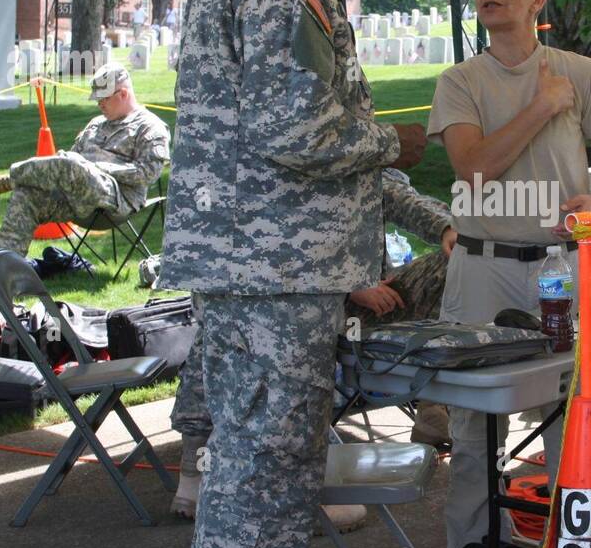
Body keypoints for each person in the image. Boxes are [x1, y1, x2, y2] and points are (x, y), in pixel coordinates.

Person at [157, 0, 425, 548]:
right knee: (265, 477)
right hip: (272, 277)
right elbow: (292, 131)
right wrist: (394, 142)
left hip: (256, 267)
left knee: (249, 466)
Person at [427, 0, 591, 548]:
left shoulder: (583, 73)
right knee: (474, 442)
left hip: (560, 269)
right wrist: (543, 108)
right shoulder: (460, 82)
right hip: (481, 270)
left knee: (571, 431)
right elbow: (475, 171)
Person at [168, 167, 458, 522]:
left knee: (457, 262)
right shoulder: (261, 169)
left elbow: (397, 195)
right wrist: (349, 284)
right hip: (296, 308)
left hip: (357, 306)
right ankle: (208, 476)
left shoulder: (346, 158)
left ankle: (435, 404)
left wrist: (446, 228)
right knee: (225, 322)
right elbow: (269, 253)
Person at [0, 62, 171, 258]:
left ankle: (2, 181)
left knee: (71, 162)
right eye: (97, 99)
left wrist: (96, 167)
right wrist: (78, 168)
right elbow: (67, 167)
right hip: (77, 198)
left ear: (123, 94)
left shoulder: (151, 127)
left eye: (103, 98)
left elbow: (147, 174)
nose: (99, 104)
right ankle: (2, 268)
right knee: (27, 194)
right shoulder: (97, 123)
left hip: (116, 201)